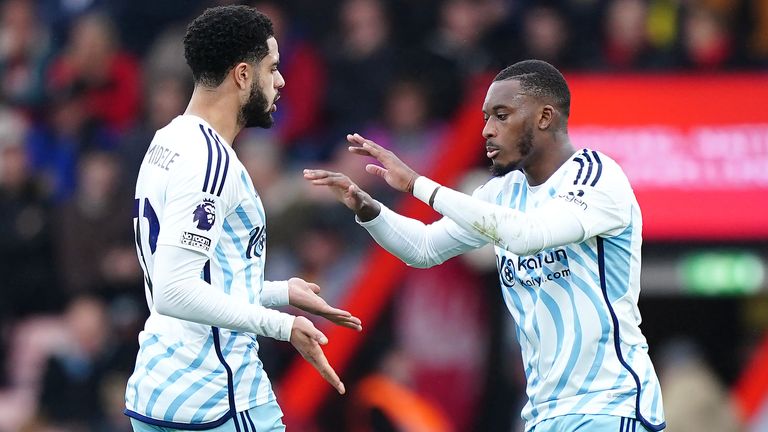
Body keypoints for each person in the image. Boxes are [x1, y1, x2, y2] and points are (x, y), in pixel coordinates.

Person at [305, 59, 666, 432]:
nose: (488, 131)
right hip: (543, 414)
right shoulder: (502, 193)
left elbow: (529, 235)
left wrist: (418, 185)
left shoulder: (595, 177)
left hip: (610, 405)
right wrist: (369, 210)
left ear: (544, 117)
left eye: (501, 115)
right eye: (485, 118)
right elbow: (425, 248)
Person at [126, 6, 361, 432]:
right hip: (216, 398)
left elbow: (192, 275)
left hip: (160, 391)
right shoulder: (210, 161)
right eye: (272, 68)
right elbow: (174, 291)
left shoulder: (168, 140)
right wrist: (282, 325)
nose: (281, 81)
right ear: (241, 75)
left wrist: (274, 291)